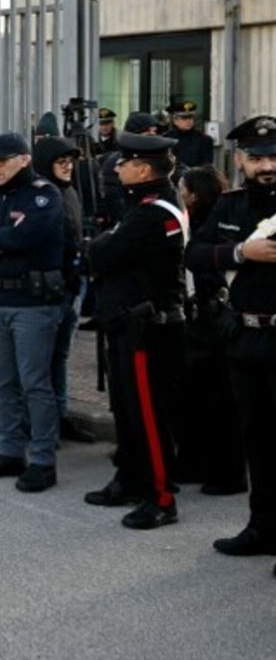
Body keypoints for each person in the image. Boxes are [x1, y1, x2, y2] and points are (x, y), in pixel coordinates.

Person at [82, 133, 189, 529]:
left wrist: (98, 244)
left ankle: (161, 498)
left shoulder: (151, 211)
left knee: (148, 415)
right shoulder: (139, 206)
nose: (117, 168)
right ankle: (129, 478)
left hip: (149, 329)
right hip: (128, 324)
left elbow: (102, 253)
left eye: (124, 163)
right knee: (127, 411)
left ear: (143, 169)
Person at [186, 115, 276, 567]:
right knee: (255, 437)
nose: (266, 165)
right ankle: (262, 527)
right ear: (239, 160)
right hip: (243, 337)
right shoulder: (230, 205)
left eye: (273, 157)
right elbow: (195, 253)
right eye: (257, 157)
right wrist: (242, 252)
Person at [0, 132, 67, 494]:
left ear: (23, 159)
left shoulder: (44, 194)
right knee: (2, 379)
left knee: (34, 382)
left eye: (3, 160)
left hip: (32, 303)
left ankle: (42, 459)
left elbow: (26, 239)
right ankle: (9, 450)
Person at [172, 166, 246, 497]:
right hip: (199, 322)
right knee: (194, 398)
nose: (179, 195)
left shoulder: (218, 223)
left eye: (182, 190)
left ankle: (227, 474)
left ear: (195, 195)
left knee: (222, 403)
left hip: (217, 322)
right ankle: (194, 462)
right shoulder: (196, 225)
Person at [32, 136, 96, 445]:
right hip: (50, 290)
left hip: (72, 286)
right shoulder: (39, 196)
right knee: (42, 362)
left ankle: (59, 416)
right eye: (61, 162)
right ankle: (44, 425)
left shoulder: (70, 192)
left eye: (70, 162)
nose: (68, 167)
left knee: (59, 358)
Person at [167, 99, 215, 169]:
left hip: (196, 177)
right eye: (184, 118)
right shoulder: (166, 139)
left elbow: (206, 165)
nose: (188, 121)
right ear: (175, 120)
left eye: (191, 117)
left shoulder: (204, 140)